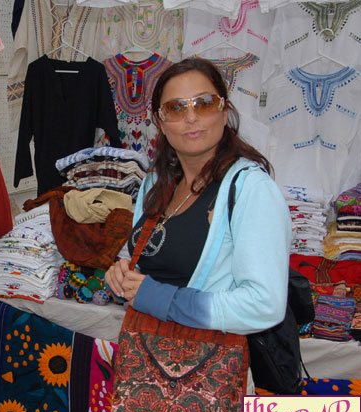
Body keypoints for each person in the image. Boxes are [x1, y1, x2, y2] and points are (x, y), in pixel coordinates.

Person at [105, 57, 291, 336]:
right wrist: (120, 276)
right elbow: (140, 260)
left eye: (203, 103)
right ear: (161, 122)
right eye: (176, 108)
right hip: (147, 357)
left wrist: (161, 299)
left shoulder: (250, 190)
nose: (191, 118)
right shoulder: (155, 184)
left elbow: (264, 305)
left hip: (210, 366)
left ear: (224, 111)